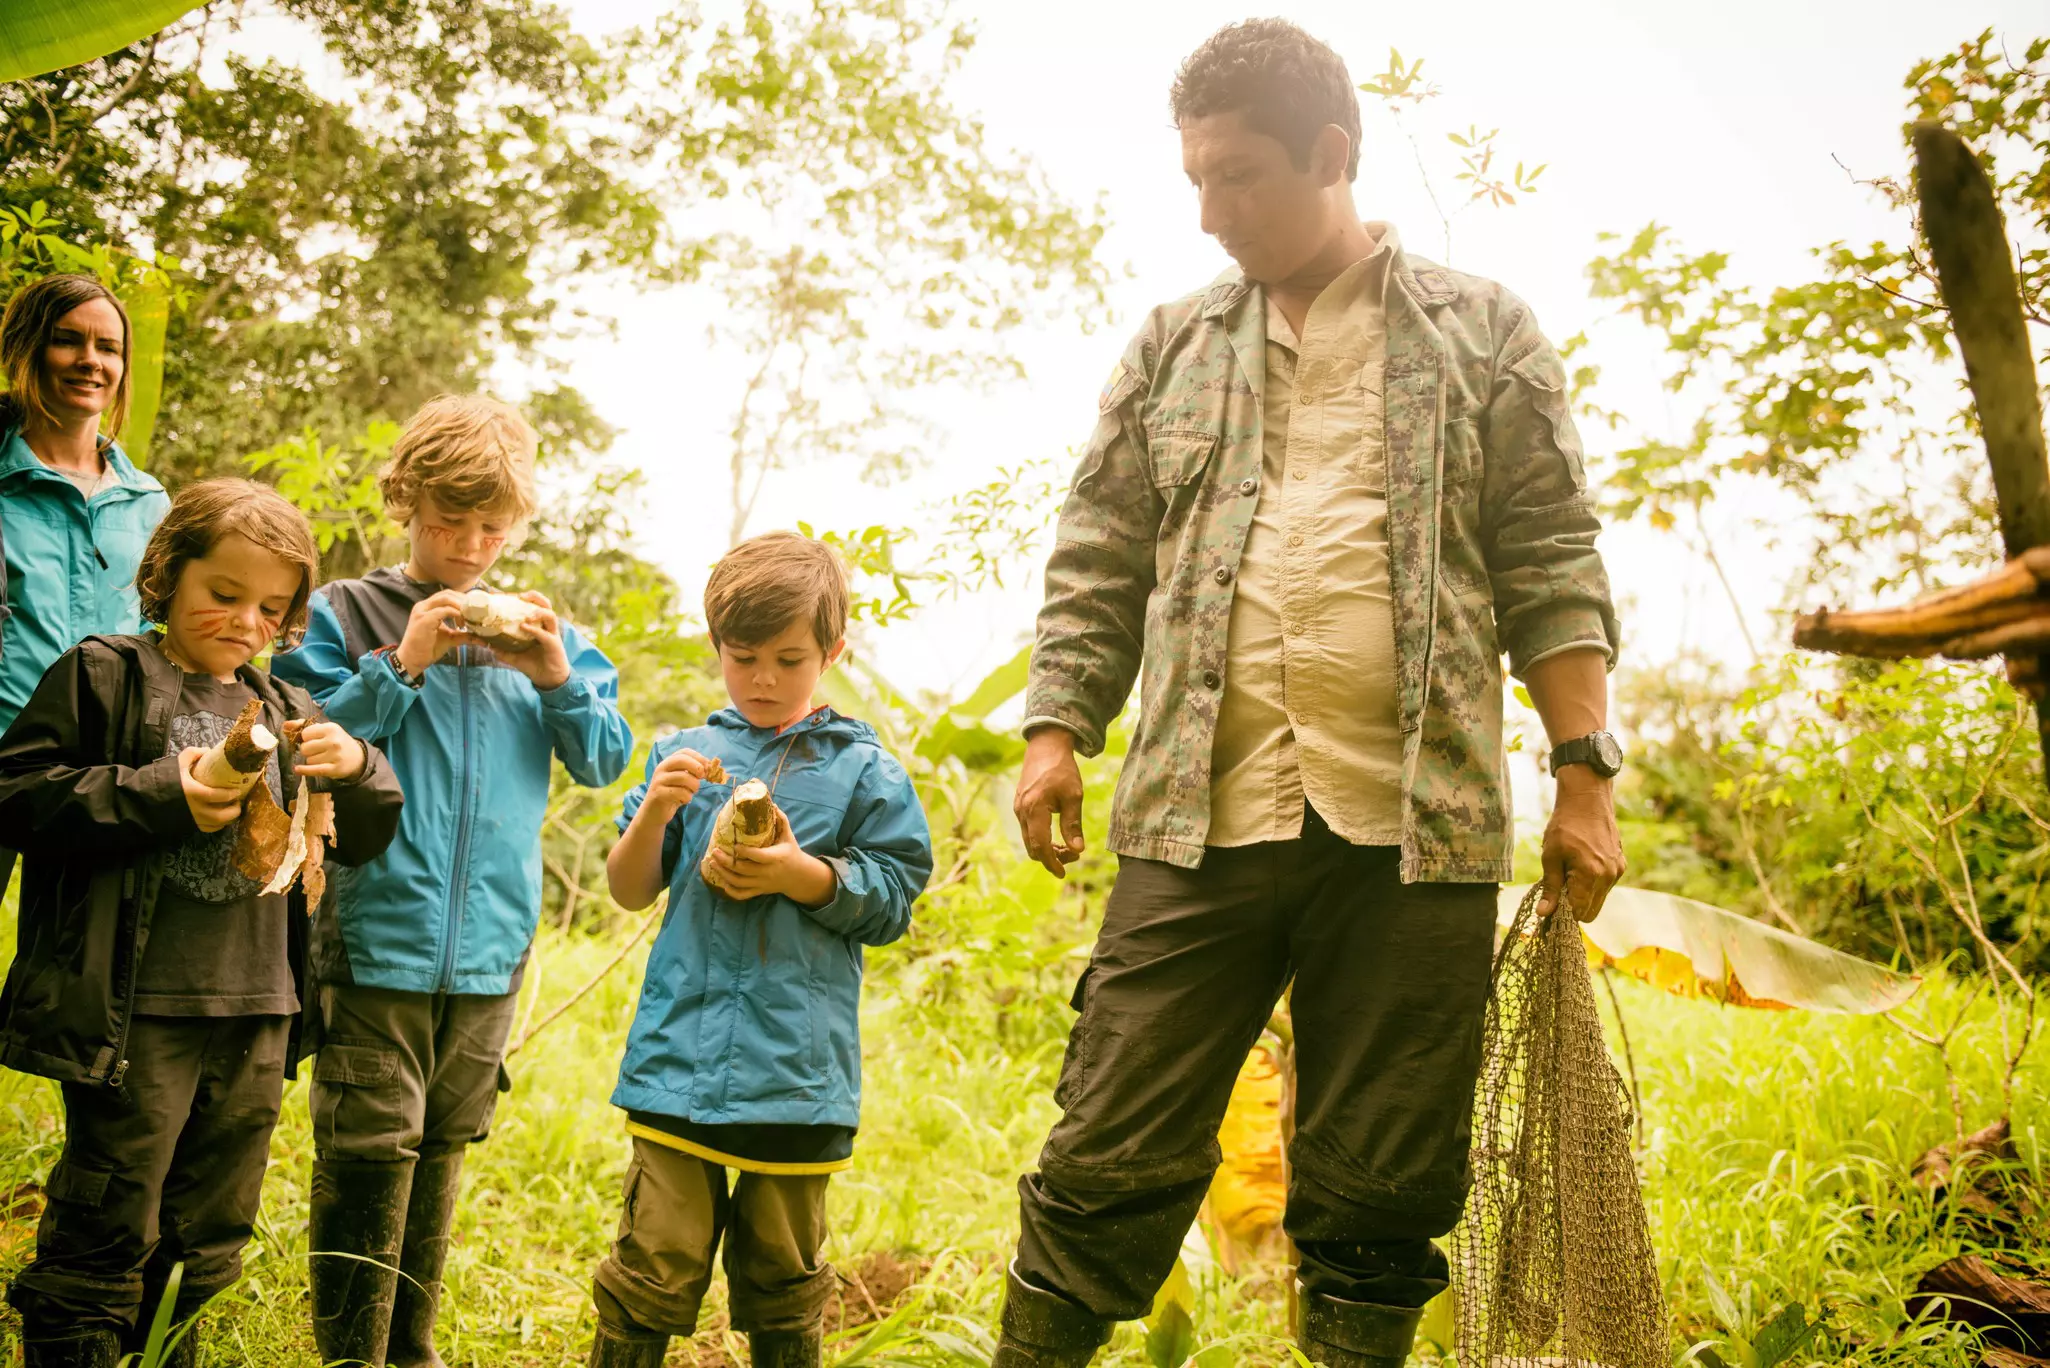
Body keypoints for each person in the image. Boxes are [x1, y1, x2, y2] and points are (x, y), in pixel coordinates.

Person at [997, 20, 1626, 1368]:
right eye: (1195, 182)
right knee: (1104, 1142)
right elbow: (1097, 559)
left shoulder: (1483, 333)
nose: (1211, 212)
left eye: (1238, 178)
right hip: (1195, 817)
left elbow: (1550, 561)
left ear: (1330, 153)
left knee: (1380, 1186)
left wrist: (1586, 776)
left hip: (1417, 828)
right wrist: (1055, 734)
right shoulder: (1169, 347)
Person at [0, 478, 403, 1368]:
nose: (245, 621)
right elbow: (18, 794)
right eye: (223, 594)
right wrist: (158, 793)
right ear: (166, 574)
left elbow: (369, 835)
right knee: (111, 1217)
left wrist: (361, 766)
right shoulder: (104, 673)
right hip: (135, 1010)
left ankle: (165, 1349)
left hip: (257, 1008)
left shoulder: (289, 709)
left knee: (210, 1230)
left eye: (270, 607)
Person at [269, 392, 634, 1367]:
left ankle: (411, 1348)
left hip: (490, 944)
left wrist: (555, 673)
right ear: (405, 504)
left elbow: (604, 760)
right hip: (376, 925)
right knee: (367, 1142)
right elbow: (300, 739)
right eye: (447, 522)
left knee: (444, 1141)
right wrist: (406, 660)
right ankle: (352, 1354)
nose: (471, 546)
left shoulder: (546, 631)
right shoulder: (344, 614)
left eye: (492, 525)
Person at [585, 531, 933, 1368]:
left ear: (832, 651)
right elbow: (630, 887)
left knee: (784, 1274)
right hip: (679, 1061)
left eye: (789, 658)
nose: (765, 680)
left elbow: (891, 900)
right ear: (717, 649)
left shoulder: (865, 772)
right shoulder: (683, 756)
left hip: (796, 1077)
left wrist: (801, 875)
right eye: (743, 658)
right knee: (651, 1264)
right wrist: (656, 812)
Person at [0, 273, 172, 895]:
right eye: (67, 341)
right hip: (3, 753)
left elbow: (163, 632)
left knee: (78, 977)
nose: (90, 361)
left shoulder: (147, 500)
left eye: (109, 348)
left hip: (102, 775)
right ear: (26, 348)